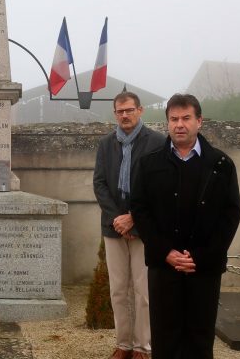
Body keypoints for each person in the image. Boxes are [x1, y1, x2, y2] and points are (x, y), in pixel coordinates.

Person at [131, 94, 240, 359]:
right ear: (167, 123)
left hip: (203, 270)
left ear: (199, 121)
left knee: (199, 338)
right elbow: (141, 212)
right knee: (165, 338)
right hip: (164, 267)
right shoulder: (149, 164)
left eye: (186, 118)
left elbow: (230, 215)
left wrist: (201, 257)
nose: (179, 124)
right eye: (173, 119)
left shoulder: (221, 165)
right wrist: (165, 252)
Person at [93, 91, 164, 359]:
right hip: (113, 227)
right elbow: (99, 183)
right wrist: (118, 219)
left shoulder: (157, 142)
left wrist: (134, 216)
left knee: (143, 291)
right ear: (115, 114)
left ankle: (142, 347)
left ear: (140, 110)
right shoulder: (106, 144)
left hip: (145, 226)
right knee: (119, 290)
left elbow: (160, 186)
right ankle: (123, 344)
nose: (125, 115)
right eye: (120, 111)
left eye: (129, 110)